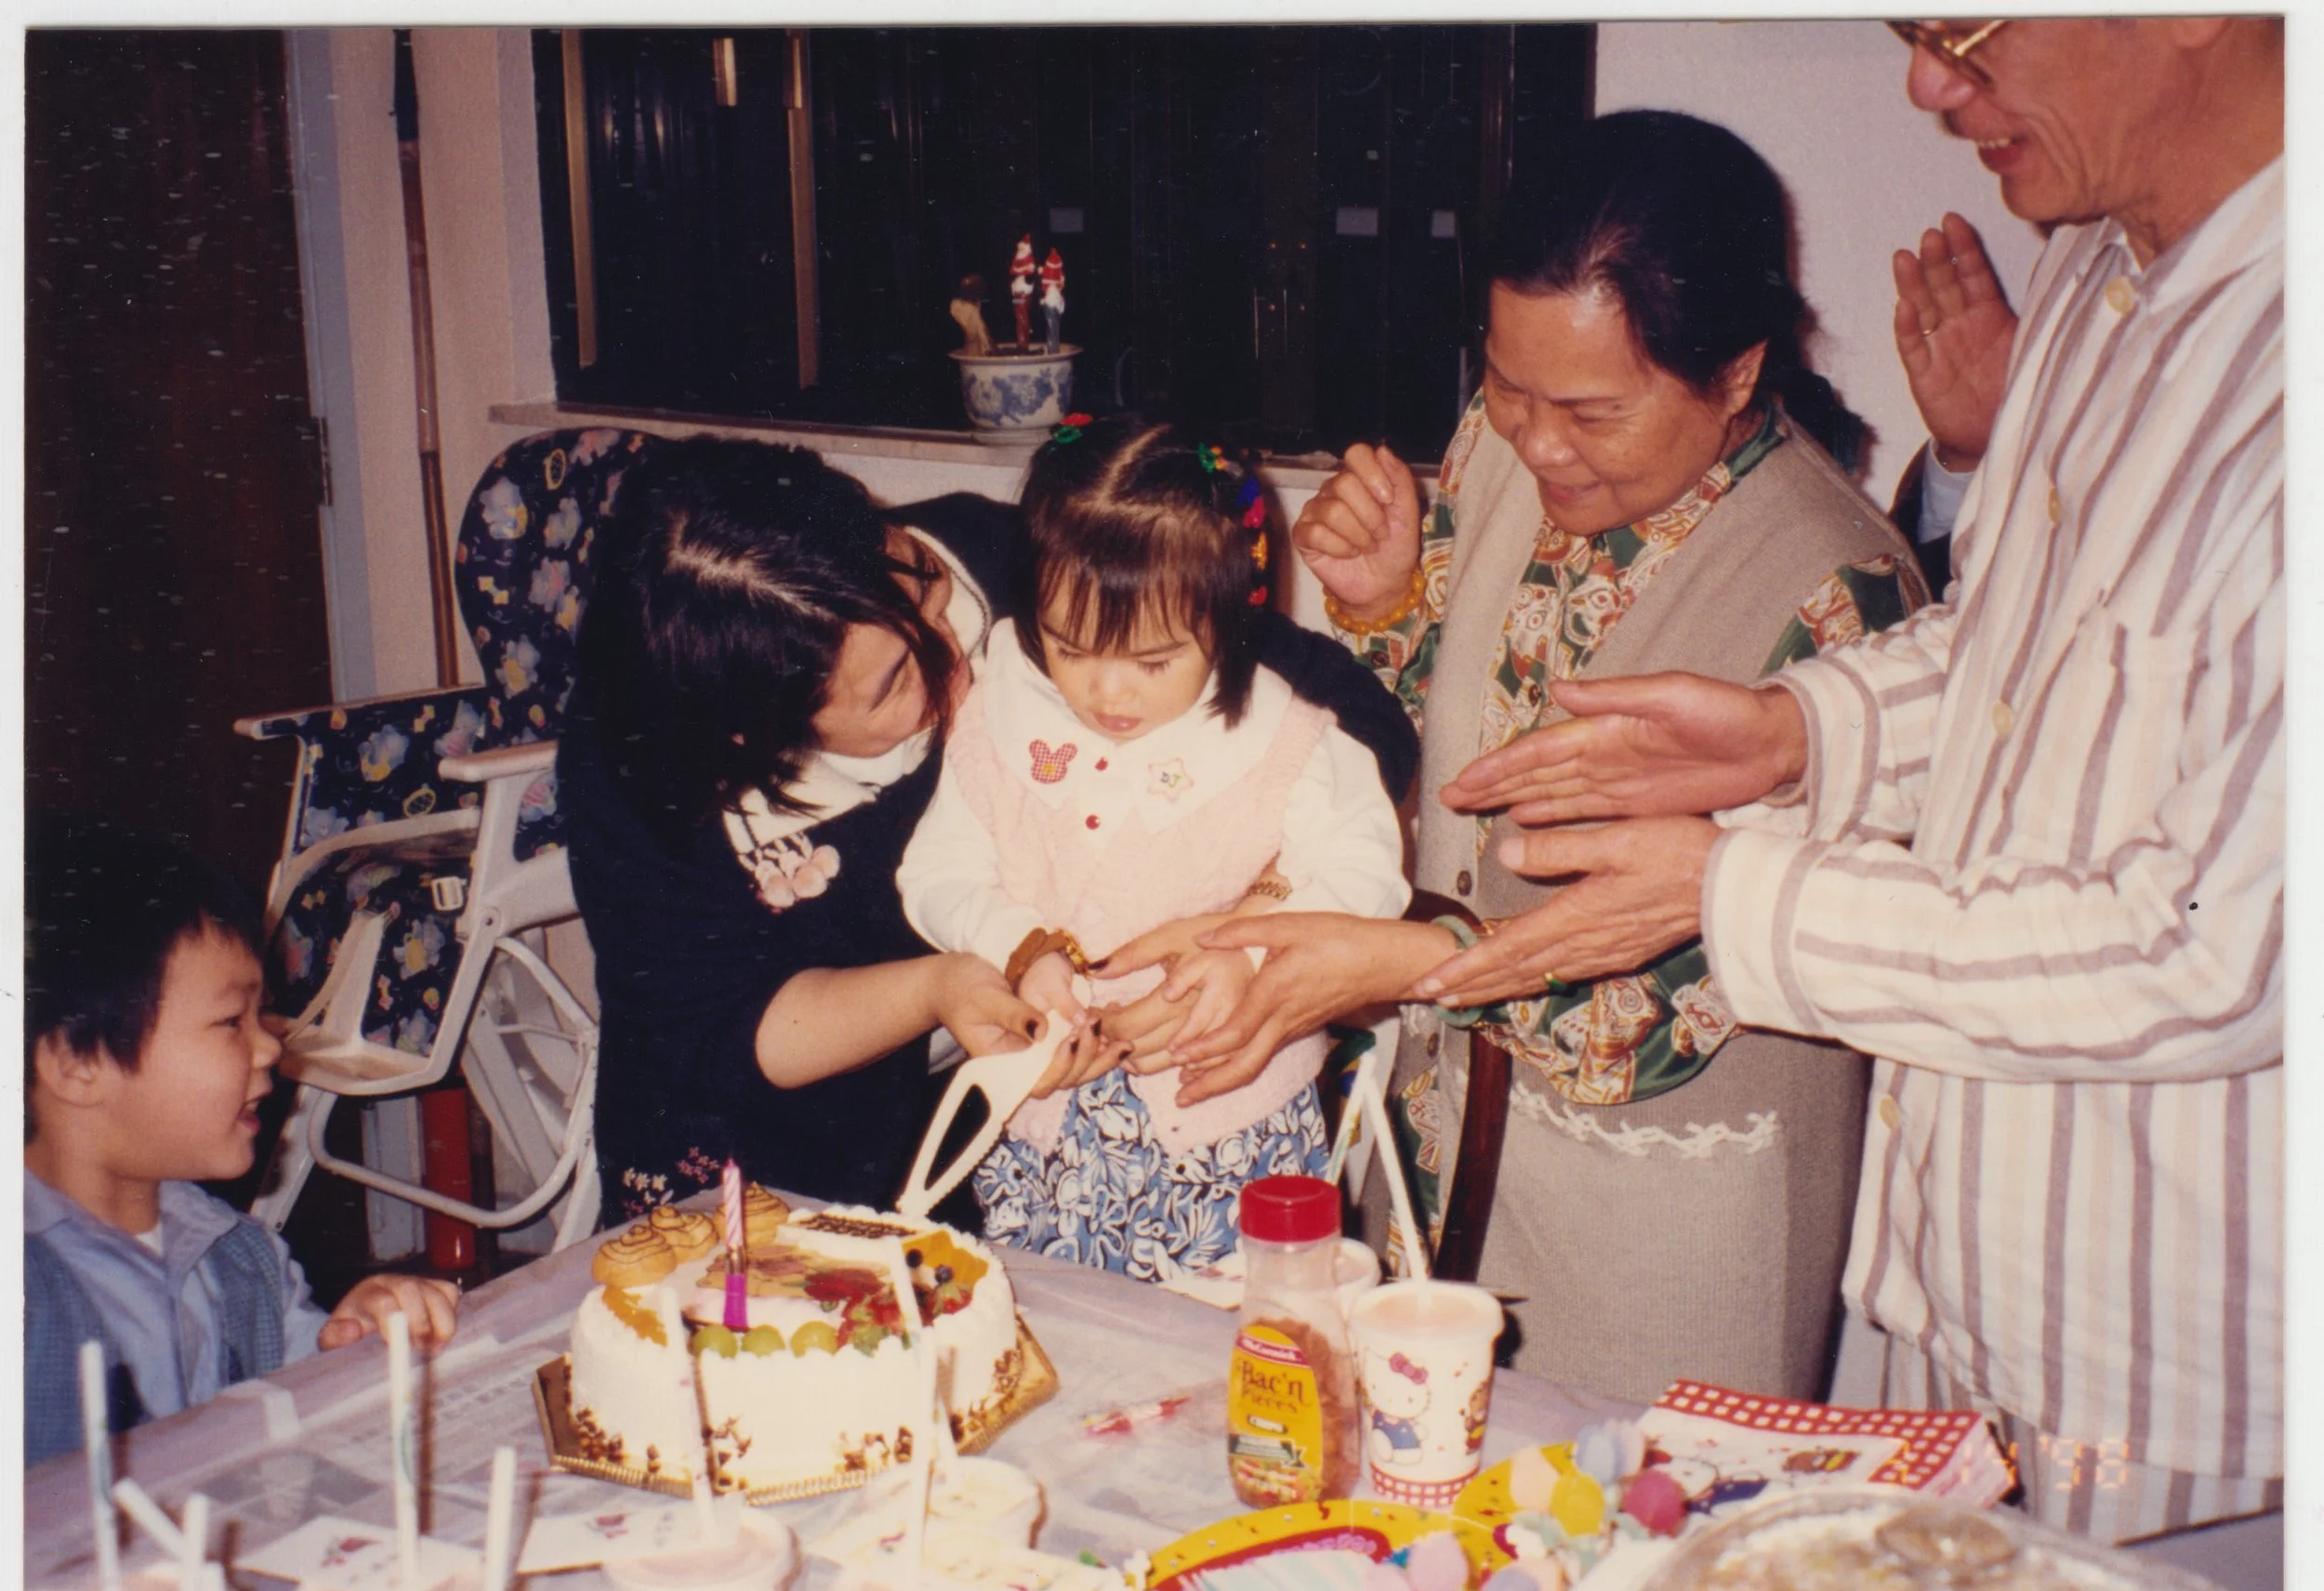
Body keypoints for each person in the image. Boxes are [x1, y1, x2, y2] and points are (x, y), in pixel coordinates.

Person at [1377, 20, 2285, 1543]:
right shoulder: (2100, 277)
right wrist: (1796, 728)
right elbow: (2009, 652)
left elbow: (2218, 947)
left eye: (1966, 30)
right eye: (1912, 35)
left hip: (2169, 1361)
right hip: (1951, 1268)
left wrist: (1733, 884)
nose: (1929, 87)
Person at [1115, 111, 1929, 1404]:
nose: (1536, 441)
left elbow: (1684, 992)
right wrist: (1388, 607)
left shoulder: (1843, 592)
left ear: (1732, 374)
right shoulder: (1509, 449)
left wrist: (1398, 962)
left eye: (1592, 410)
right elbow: (1465, 745)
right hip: (1445, 1147)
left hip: (1664, 1212)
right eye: (1505, 383)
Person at [559, 435, 1416, 1225]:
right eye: (894, 683)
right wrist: (943, 986)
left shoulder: (1029, 565)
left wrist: (1246, 918)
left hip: (1004, 1147)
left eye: (920, 588)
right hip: (767, 1185)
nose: (956, 661)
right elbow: (720, 1039)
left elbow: (1349, 727)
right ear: (757, 734)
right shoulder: (644, 751)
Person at [898, 421, 1407, 1280]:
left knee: (1231, 1361)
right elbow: (938, 870)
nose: (1106, 690)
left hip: (1232, 1131)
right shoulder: (1000, 714)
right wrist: (1018, 946)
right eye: (1068, 649)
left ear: (1227, 620)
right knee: (1052, 1339)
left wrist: (1249, 948)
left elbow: (1367, 880)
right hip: (1041, 1132)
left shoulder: (1284, 739)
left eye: (1154, 660)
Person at [24, 817, 460, 1467]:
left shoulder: (242, 1257)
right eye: (232, 1020)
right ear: (77, 1064)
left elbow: (303, 1383)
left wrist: (360, 1326)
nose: (268, 1046)